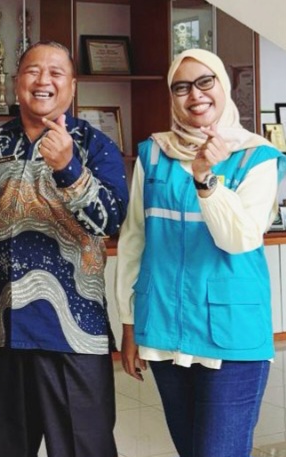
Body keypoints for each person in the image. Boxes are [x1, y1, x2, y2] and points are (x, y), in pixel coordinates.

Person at [116, 48, 285, 457]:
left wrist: (206, 180)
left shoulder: (257, 156)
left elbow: (238, 239)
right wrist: (129, 323)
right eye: (181, 87)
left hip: (231, 332)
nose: (195, 95)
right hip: (163, 325)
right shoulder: (153, 153)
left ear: (223, 86)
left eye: (205, 82)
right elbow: (134, 240)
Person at [0, 41, 128, 457]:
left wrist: (68, 169)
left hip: (74, 332)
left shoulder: (96, 146)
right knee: (7, 448)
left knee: (85, 447)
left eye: (56, 73)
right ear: (16, 82)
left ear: (72, 86)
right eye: (32, 71)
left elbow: (111, 222)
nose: (43, 80)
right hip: (1, 330)